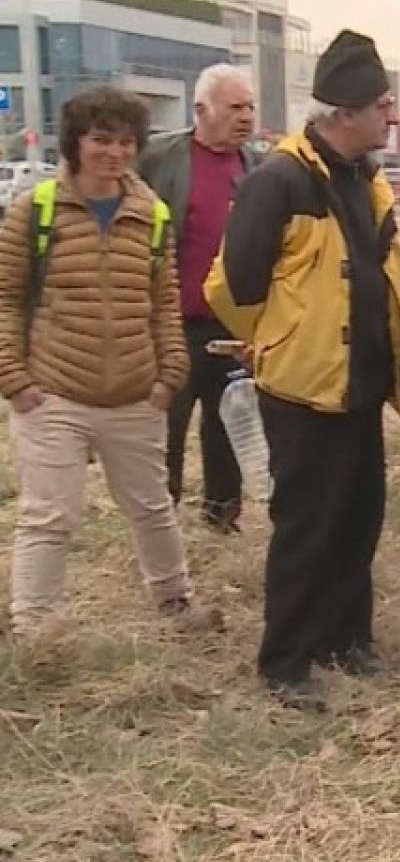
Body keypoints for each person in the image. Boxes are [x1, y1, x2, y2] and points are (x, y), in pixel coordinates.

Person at [205, 31, 400, 710]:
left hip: (359, 386)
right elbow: (235, 284)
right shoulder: (281, 180)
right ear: (344, 112)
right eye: (382, 104)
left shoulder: (363, 176)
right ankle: (285, 660)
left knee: (358, 519)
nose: (391, 116)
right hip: (303, 388)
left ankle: (345, 638)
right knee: (306, 527)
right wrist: (277, 343)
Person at [0, 86, 206, 639]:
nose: (113, 153)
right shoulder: (35, 211)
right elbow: (7, 298)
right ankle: (36, 626)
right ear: (76, 142)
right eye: (101, 139)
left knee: (152, 506)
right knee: (49, 515)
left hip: (136, 394)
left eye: (124, 141)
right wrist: (15, 380)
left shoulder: (152, 215)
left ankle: (175, 600)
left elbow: (162, 301)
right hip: (53, 394)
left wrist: (169, 375)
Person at [139, 64, 259, 535]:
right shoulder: (160, 157)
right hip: (172, 323)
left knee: (229, 421)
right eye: (235, 107)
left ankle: (222, 515)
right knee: (164, 425)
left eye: (250, 107)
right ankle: (158, 517)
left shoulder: (257, 167)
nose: (246, 116)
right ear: (201, 110)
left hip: (231, 324)